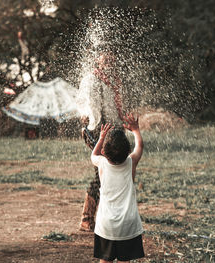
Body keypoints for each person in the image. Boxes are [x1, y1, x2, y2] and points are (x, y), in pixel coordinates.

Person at [77, 50, 124, 231]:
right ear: (99, 62)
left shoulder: (112, 82)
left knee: (112, 173)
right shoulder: (91, 80)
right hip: (98, 131)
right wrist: (88, 121)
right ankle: (87, 219)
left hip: (111, 131)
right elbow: (85, 106)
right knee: (102, 173)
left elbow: (116, 108)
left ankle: (107, 215)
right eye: (106, 61)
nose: (109, 65)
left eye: (112, 61)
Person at [91, 113, 145, 262]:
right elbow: (140, 146)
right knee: (124, 260)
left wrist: (101, 138)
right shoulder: (131, 162)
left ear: (104, 152)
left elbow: (93, 155)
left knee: (104, 260)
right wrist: (135, 129)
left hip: (106, 225)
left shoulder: (101, 163)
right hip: (128, 224)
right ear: (128, 151)